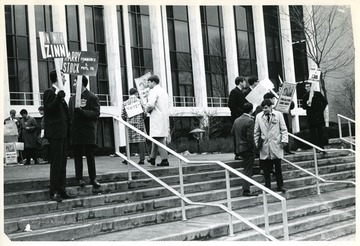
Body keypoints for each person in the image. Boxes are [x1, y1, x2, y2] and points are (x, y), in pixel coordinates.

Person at [43, 70, 73, 202]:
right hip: (55, 134)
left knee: (62, 163)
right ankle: (54, 191)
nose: (65, 80)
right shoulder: (49, 92)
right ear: (57, 79)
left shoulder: (61, 95)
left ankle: (62, 189)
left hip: (63, 134)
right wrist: (58, 97)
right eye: (62, 77)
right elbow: (49, 109)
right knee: (56, 163)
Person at [68, 76, 101, 188]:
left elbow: (96, 114)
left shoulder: (92, 97)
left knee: (90, 156)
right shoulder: (72, 99)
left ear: (81, 84)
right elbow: (69, 116)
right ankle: (79, 178)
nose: (73, 84)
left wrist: (82, 112)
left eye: (75, 82)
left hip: (87, 131)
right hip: (76, 132)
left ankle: (93, 178)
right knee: (77, 156)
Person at [254, 99, 288, 193]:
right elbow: (256, 132)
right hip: (265, 146)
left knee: (278, 167)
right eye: (263, 108)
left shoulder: (278, 115)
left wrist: (284, 141)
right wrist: (257, 143)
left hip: (276, 145)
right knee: (266, 169)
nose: (264, 110)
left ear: (270, 106)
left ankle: (280, 185)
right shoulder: (258, 117)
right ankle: (267, 186)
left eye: (266, 108)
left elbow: (284, 129)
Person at [232, 102, 258, 197]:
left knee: (247, 167)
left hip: (239, 147)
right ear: (251, 110)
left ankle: (247, 186)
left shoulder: (236, 120)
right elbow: (250, 137)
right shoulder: (250, 121)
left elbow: (233, 135)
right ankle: (246, 189)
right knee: (248, 169)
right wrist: (254, 149)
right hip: (247, 148)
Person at [145, 75, 170, 167]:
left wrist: (145, 109)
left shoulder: (153, 91)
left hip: (156, 117)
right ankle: (152, 158)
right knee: (156, 137)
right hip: (163, 117)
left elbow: (151, 104)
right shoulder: (163, 91)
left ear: (153, 82)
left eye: (149, 82)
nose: (148, 84)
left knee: (159, 139)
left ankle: (165, 159)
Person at [121, 88, 147, 165]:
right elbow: (145, 112)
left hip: (129, 124)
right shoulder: (140, 101)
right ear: (136, 93)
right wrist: (142, 118)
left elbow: (122, 115)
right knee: (140, 140)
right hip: (139, 123)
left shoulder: (125, 103)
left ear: (129, 93)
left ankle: (127, 159)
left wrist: (126, 120)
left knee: (129, 141)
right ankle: (142, 159)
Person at [302, 82, 328, 152]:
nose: (307, 88)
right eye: (306, 87)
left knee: (320, 132)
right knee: (313, 133)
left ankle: (321, 147)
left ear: (311, 87)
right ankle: (315, 147)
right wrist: (307, 104)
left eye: (308, 86)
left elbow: (325, 102)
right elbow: (303, 107)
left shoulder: (318, 94)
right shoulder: (305, 96)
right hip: (311, 118)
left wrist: (321, 110)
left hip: (319, 117)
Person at [228, 76, 248, 160]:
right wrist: (241, 110)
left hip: (241, 116)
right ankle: (237, 153)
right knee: (237, 136)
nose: (245, 83)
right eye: (244, 82)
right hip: (237, 117)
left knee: (242, 135)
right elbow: (231, 105)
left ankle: (242, 152)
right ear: (240, 82)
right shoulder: (234, 91)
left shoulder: (240, 92)